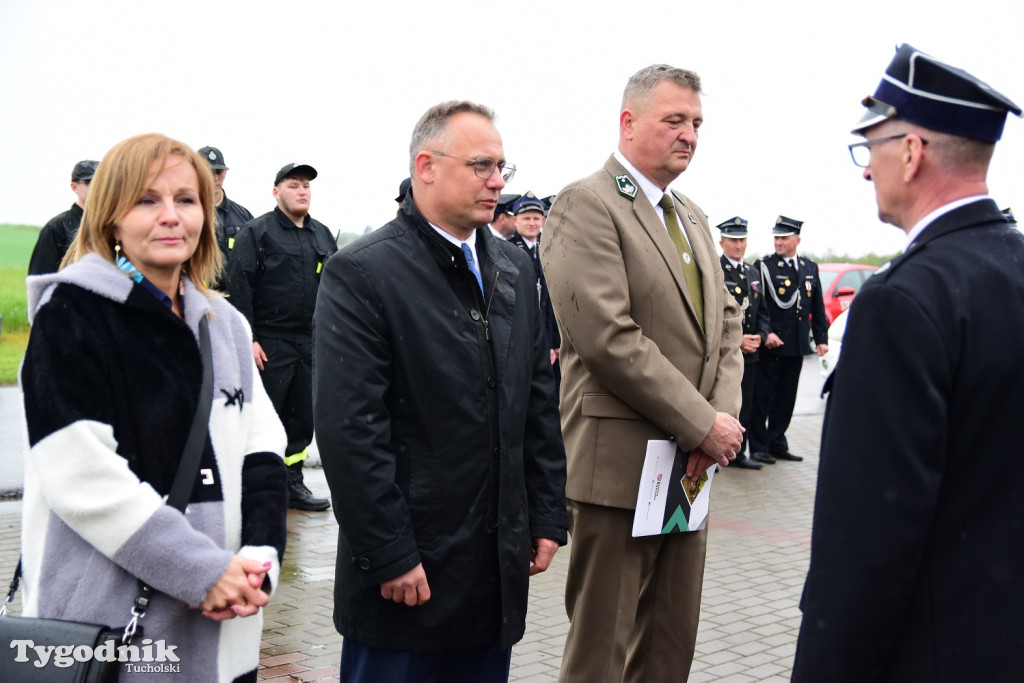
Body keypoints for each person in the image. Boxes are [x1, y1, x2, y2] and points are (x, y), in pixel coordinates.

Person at [313, 100, 567, 682]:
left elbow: (537, 400)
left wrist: (548, 512)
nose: (498, 182)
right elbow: (351, 430)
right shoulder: (364, 273)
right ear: (426, 166)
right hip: (409, 578)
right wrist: (388, 554)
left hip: (493, 572)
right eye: (482, 166)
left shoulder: (512, 267)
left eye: (503, 167)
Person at [19, 133, 289, 682]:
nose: (171, 216)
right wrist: (200, 570)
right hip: (110, 636)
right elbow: (80, 473)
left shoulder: (227, 325)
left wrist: (260, 561)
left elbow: (264, 451)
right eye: (146, 200)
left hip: (224, 625)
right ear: (110, 216)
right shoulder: (72, 313)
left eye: (186, 200)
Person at [792, 44, 1024, 682]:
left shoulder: (901, 303)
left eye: (871, 149)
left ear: (912, 152)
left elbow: (865, 544)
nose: (867, 171)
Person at [541, 64, 744, 682]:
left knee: (669, 641)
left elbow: (727, 326)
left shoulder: (693, 216)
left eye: (697, 123)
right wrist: (701, 423)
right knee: (602, 649)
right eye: (674, 120)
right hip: (622, 466)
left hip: (690, 466)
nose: (689, 135)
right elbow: (607, 336)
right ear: (628, 123)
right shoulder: (587, 204)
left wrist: (721, 420)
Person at [227, 162, 336, 511]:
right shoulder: (257, 232)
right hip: (269, 342)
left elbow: (334, 288)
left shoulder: (321, 235)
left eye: (306, 185)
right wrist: (249, 337)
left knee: (302, 417)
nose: (302, 190)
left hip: (309, 341)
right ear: (276, 192)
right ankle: (259, 487)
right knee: (266, 416)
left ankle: (293, 482)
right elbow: (239, 286)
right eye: (293, 185)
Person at [747, 216, 827, 464]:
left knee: (786, 398)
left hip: (797, 344)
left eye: (784, 238)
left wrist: (821, 339)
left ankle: (777, 441)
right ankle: (759, 446)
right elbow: (758, 305)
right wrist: (766, 332)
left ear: (797, 240)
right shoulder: (764, 267)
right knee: (762, 398)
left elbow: (818, 306)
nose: (779, 242)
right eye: (776, 238)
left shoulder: (808, 267)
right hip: (772, 344)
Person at [718, 216, 769, 470]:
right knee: (722, 400)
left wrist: (761, 334)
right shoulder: (716, 269)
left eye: (742, 240)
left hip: (751, 352)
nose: (738, 246)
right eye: (733, 240)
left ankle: (740, 452)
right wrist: (738, 341)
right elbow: (713, 314)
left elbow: (762, 311)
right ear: (722, 242)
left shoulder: (752, 272)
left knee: (746, 403)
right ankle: (717, 453)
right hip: (725, 351)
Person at [507, 191, 561, 377]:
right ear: (515, 221)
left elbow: (552, 301)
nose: (532, 223)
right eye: (526, 218)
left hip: (546, 335)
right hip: (520, 338)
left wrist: (555, 342)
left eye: (536, 218)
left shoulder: (549, 248)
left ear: (543, 221)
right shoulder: (506, 249)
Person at [28, 159, 98, 275]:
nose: (98, 188)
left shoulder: (114, 225)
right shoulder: (57, 227)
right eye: (91, 182)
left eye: (103, 182)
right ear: (74, 187)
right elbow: (40, 279)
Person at [197, 145, 254, 284]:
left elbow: (254, 262)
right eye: (209, 172)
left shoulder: (243, 216)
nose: (215, 178)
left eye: (219, 172)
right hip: (195, 297)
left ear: (225, 173)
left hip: (233, 299)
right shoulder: (183, 214)